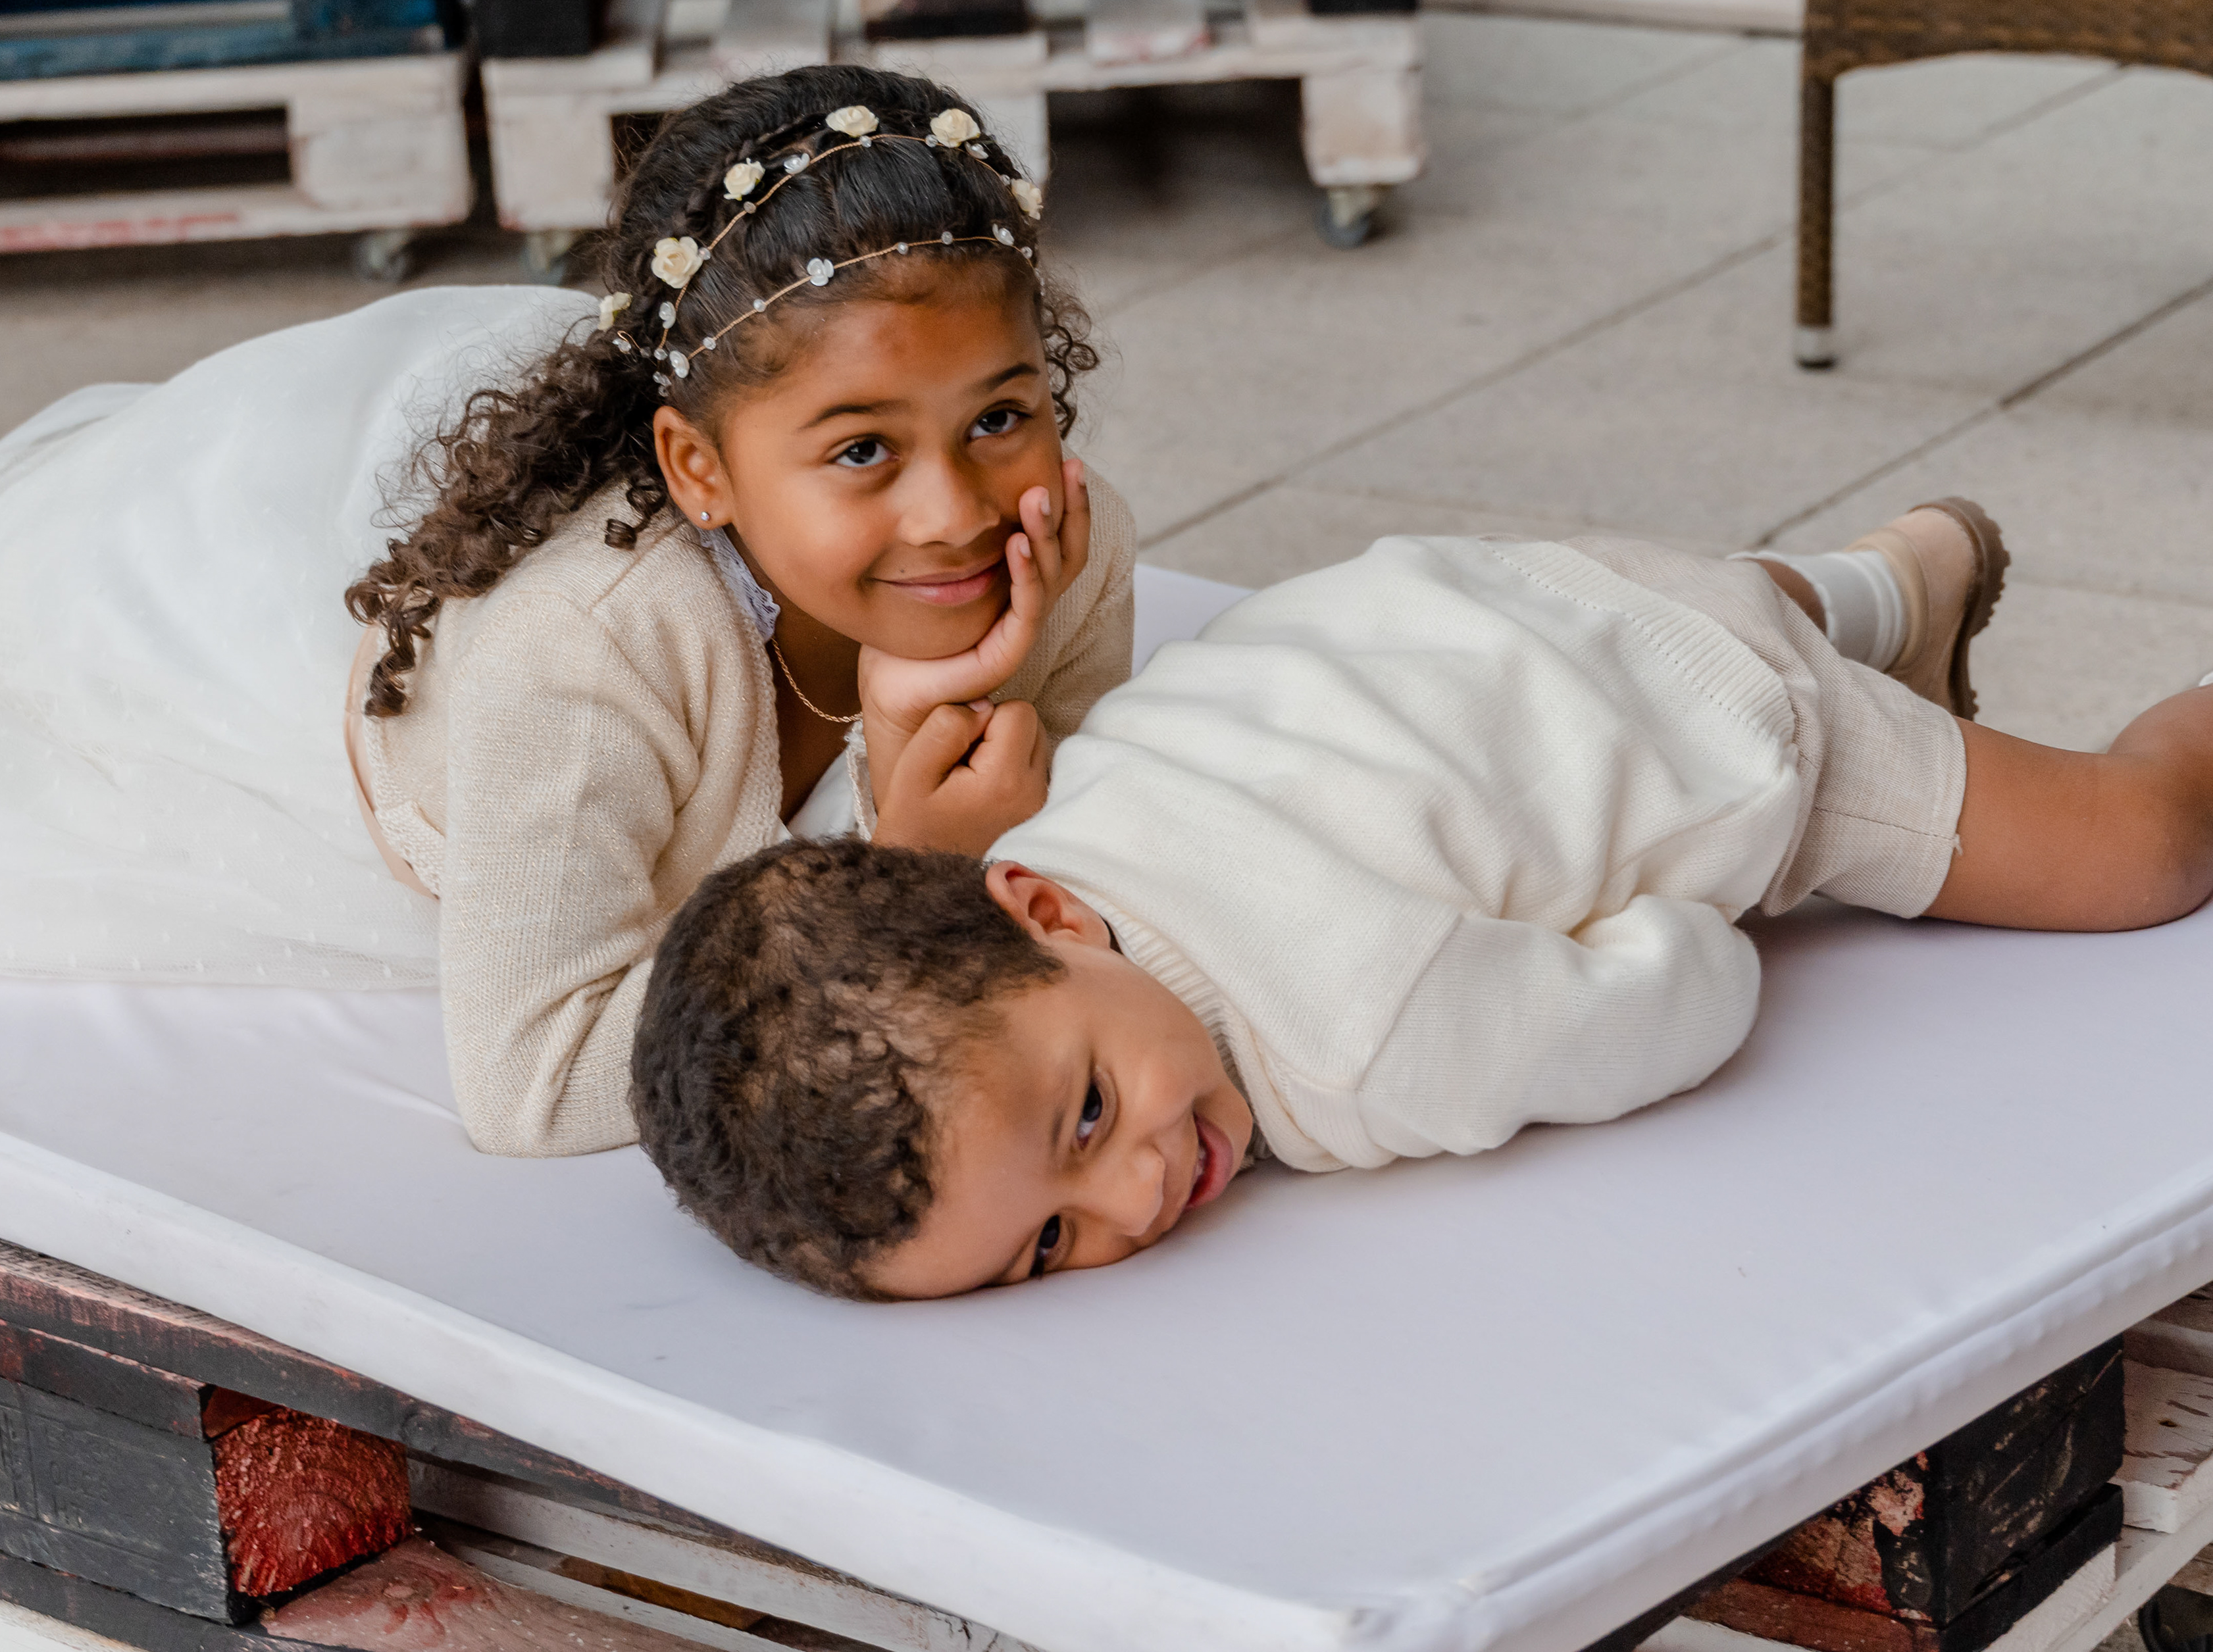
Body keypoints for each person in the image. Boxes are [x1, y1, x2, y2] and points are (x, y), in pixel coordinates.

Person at [0, 64, 1138, 1157]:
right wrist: (903, 872)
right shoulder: (587, 650)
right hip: (272, 682)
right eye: (864, 450)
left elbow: (1093, 863)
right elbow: (530, 1083)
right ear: (700, 470)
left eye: (999, 415)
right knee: (7, 602)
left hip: (496, 581)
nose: (954, 511)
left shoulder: (1061, 544)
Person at [630, 504, 2213, 1299]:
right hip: (1467, 595)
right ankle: (1887, 577)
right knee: (1737, 594)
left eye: (1091, 1112)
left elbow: (1679, 998)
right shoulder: (1038, 850)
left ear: (1042, 912)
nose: (1139, 1192)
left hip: (1720, 712)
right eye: (1050, 1244)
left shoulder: (1364, 1051)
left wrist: (1699, 914)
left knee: (2138, 845)